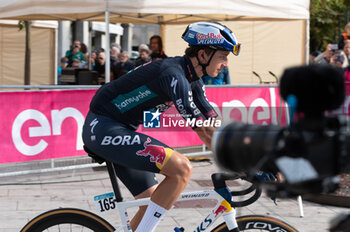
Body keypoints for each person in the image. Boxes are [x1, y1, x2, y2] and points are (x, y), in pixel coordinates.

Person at [82, 21, 240, 232]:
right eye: (223, 56)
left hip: (122, 130)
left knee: (153, 200)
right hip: (103, 127)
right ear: (203, 55)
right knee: (181, 169)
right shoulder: (173, 74)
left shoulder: (193, 80)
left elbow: (212, 122)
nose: (226, 63)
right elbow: (202, 129)